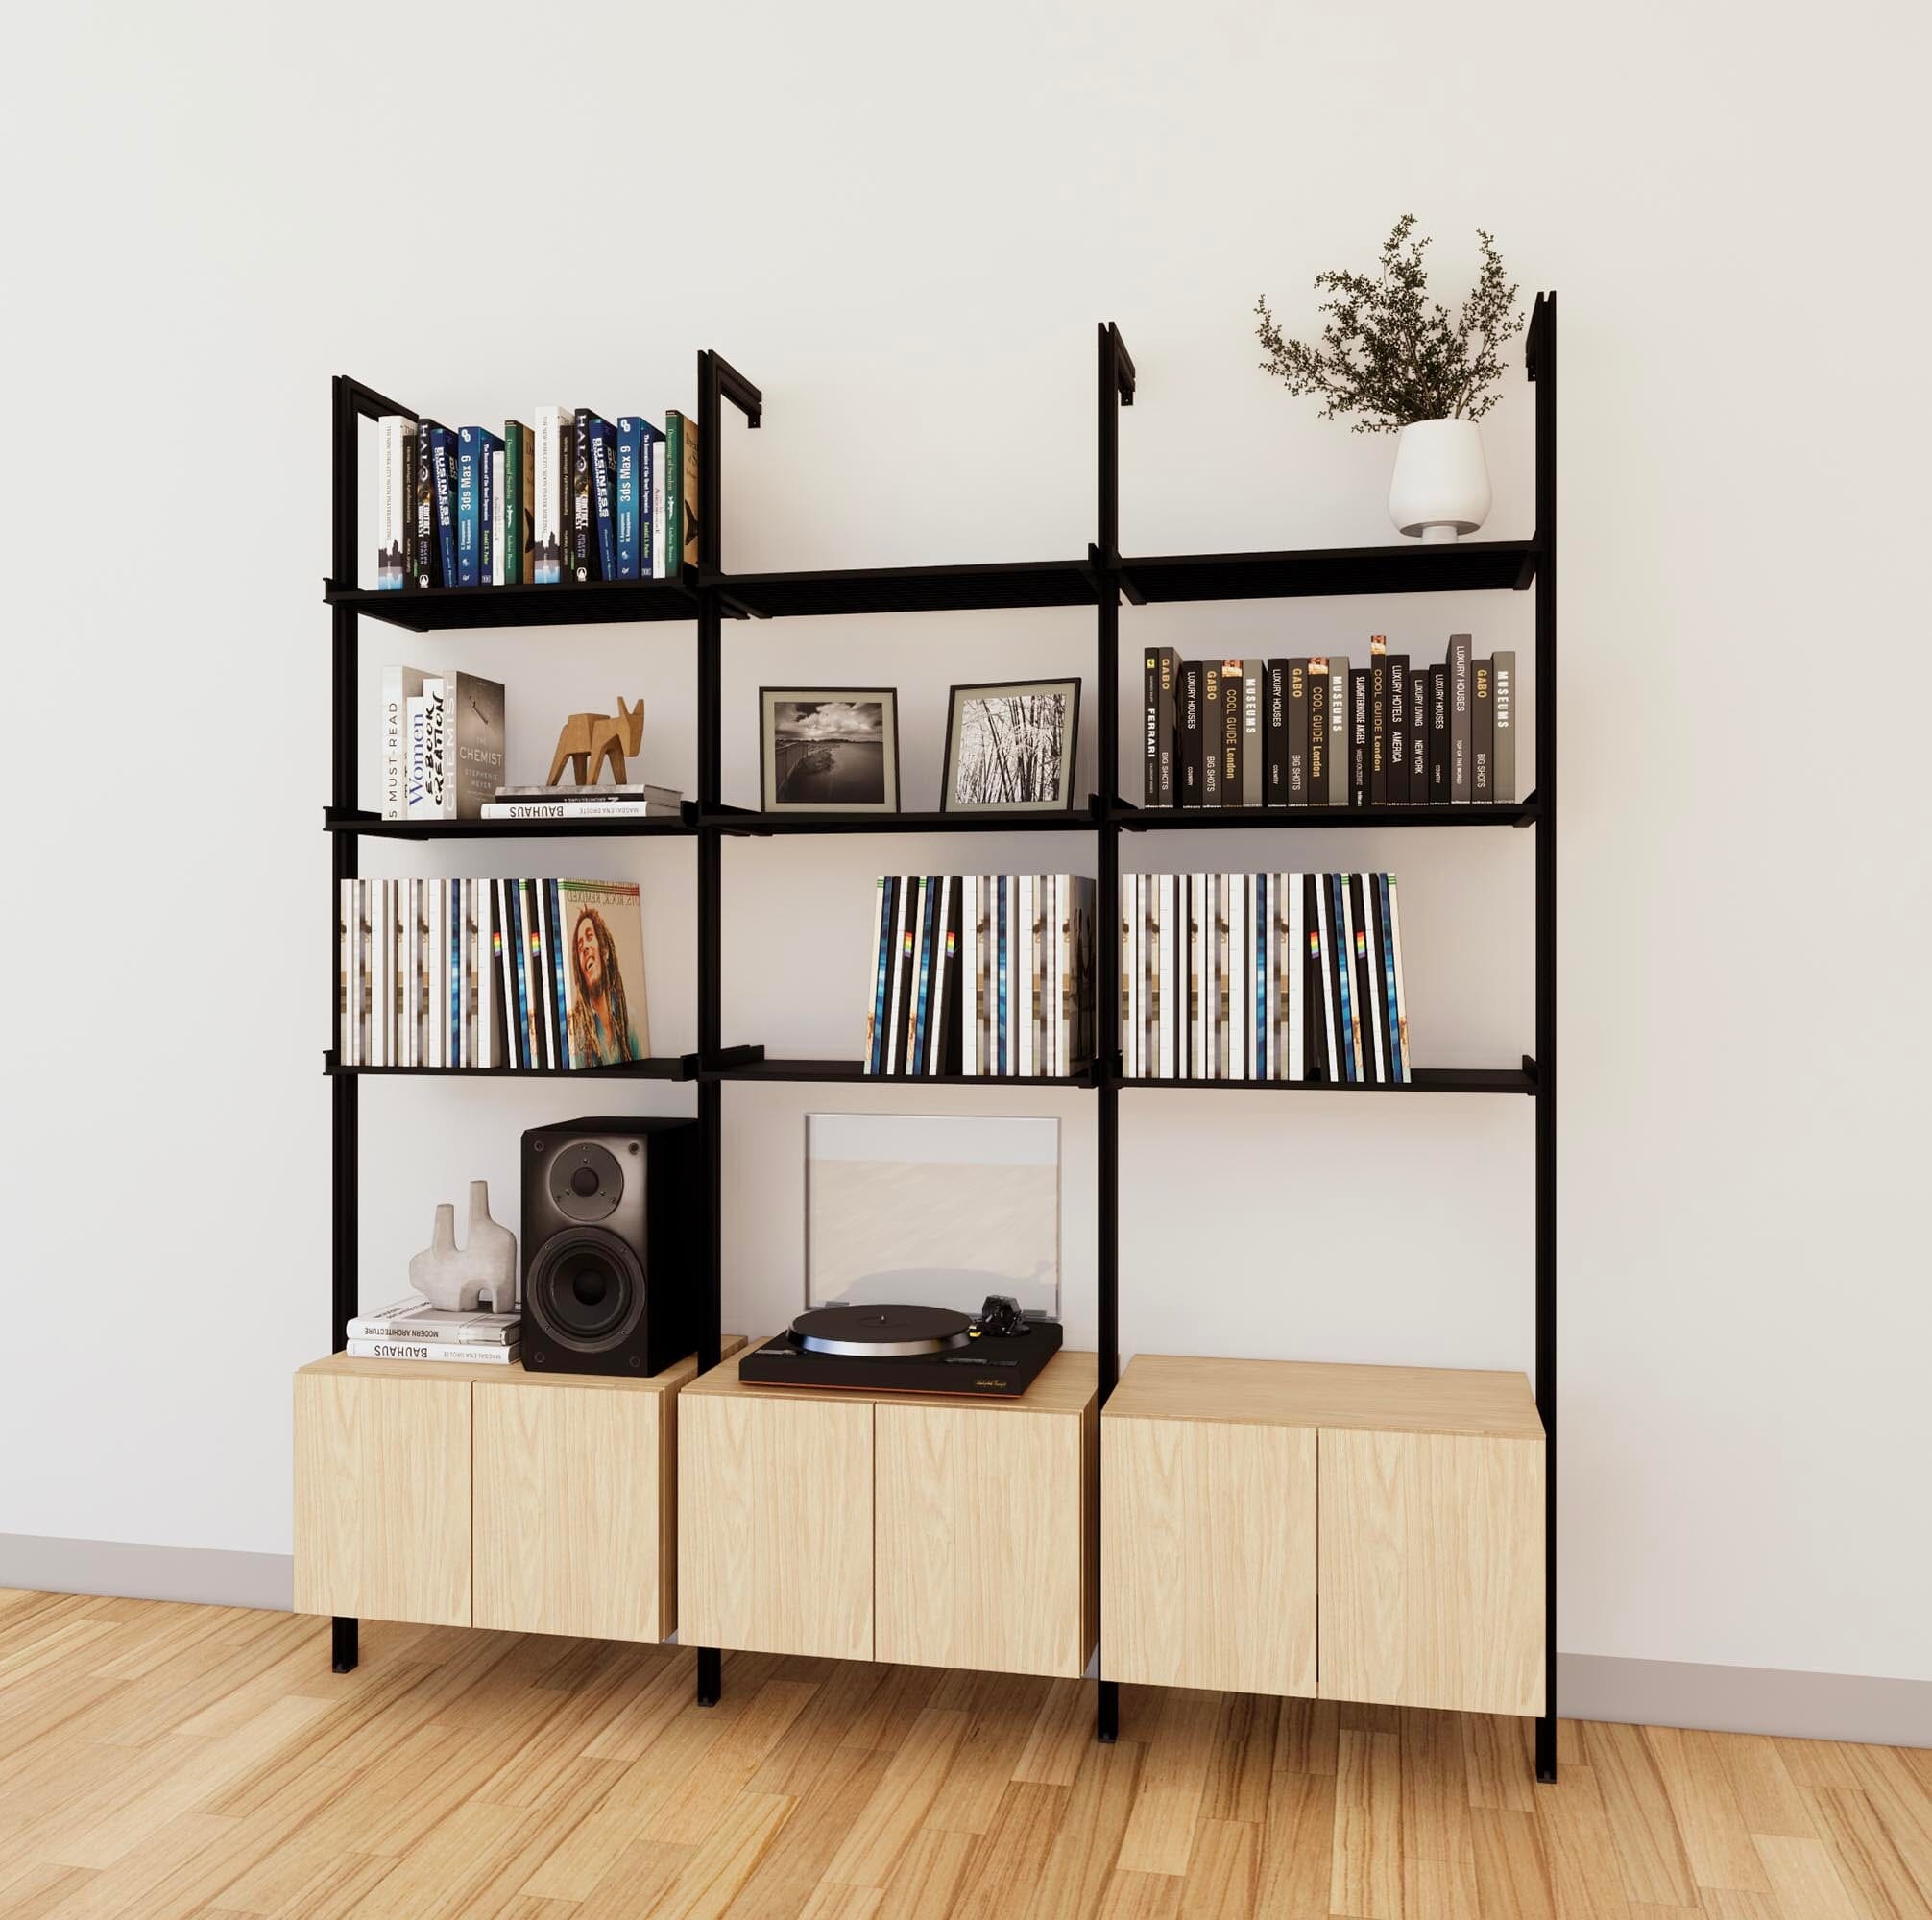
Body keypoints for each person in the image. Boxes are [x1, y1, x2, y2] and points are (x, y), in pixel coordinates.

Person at [567, 904, 641, 1065]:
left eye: (589, 936)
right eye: (580, 946)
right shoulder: (577, 1033)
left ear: (605, 951)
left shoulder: (628, 1018)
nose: (584, 947)